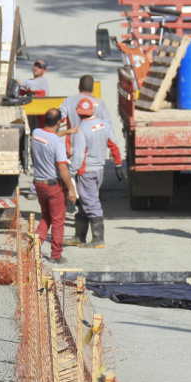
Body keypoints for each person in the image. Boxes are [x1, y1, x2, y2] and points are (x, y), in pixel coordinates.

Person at [65, 97, 124, 249]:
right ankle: (79, 237)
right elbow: (114, 145)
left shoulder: (81, 130)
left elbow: (78, 156)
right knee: (85, 202)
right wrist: (118, 164)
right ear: (93, 111)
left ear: (78, 112)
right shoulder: (104, 125)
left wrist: (70, 173)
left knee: (91, 203)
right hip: (99, 170)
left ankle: (98, 239)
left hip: (86, 171)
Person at [30, 108, 78, 265]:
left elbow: (50, 137)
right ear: (59, 122)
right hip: (53, 186)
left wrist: (67, 131)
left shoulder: (36, 133)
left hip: (39, 183)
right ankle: (56, 255)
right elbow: (63, 168)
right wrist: (71, 188)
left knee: (46, 216)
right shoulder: (56, 142)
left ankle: (34, 249)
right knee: (58, 221)